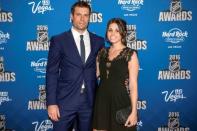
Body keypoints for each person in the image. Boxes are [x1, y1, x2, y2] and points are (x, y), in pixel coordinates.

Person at [46, 1, 104, 131]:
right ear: (71, 16)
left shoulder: (98, 41)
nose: (82, 19)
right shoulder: (59, 40)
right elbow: (51, 73)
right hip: (64, 102)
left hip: (89, 102)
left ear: (90, 17)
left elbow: (105, 68)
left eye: (86, 15)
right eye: (78, 14)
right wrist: (51, 103)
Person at [92, 18, 139, 131]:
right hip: (101, 101)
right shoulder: (101, 53)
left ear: (123, 33)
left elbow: (133, 85)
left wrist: (134, 112)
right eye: (110, 30)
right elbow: (95, 74)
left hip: (120, 102)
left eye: (117, 30)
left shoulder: (130, 54)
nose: (113, 33)